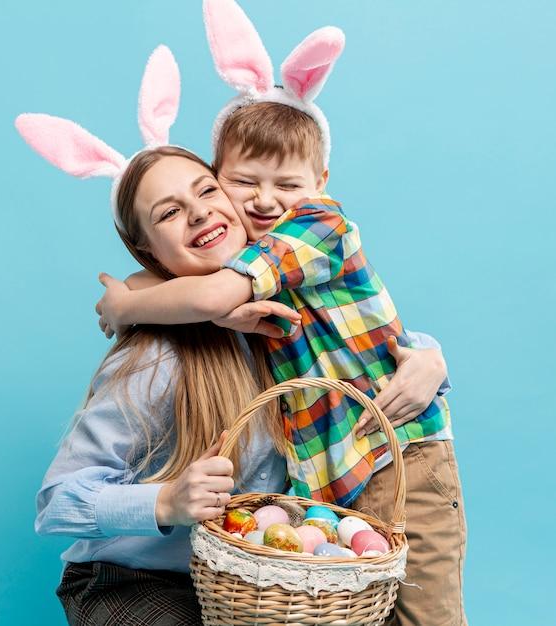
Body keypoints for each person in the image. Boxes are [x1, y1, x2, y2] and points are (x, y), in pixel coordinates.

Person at [95, 2, 467, 622]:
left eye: (288, 185)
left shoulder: (317, 224)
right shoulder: (243, 259)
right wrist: (142, 289)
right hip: (328, 479)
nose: (267, 202)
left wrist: (127, 306)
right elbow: (179, 277)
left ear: (320, 182)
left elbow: (209, 294)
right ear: (218, 181)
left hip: (396, 454)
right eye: (244, 183)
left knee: (423, 613)